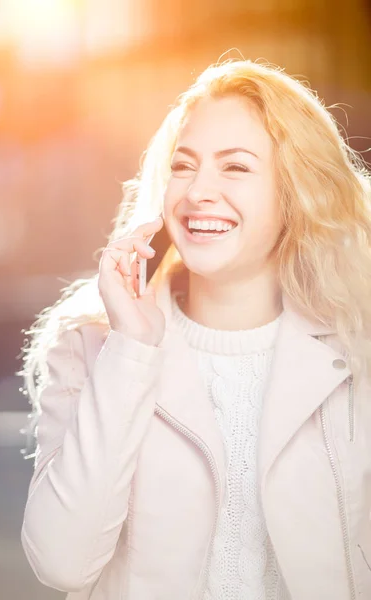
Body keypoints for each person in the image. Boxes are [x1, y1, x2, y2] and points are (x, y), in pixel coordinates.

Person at [20, 58, 371, 600]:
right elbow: (62, 563)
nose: (198, 191)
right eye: (183, 167)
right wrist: (132, 350)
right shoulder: (89, 345)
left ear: (294, 192)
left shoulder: (358, 352)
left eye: (235, 168)